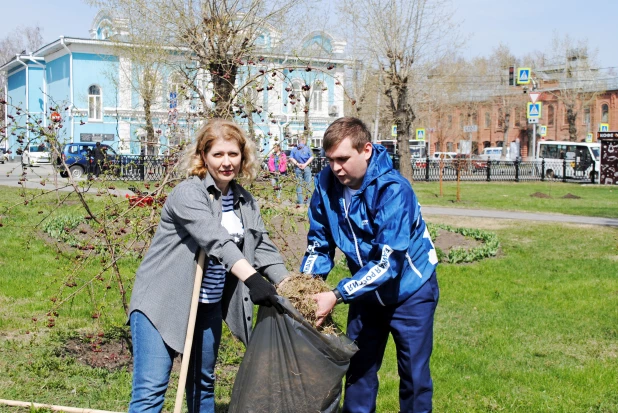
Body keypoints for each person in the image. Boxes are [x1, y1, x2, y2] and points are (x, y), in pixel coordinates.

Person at [128, 118, 288, 412]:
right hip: (162, 303)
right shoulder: (189, 194)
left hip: (207, 306)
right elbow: (217, 241)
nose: (226, 162)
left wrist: (289, 287)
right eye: (218, 154)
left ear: (243, 156)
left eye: (233, 154)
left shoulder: (244, 201)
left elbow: (263, 248)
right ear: (203, 156)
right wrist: (253, 280)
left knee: (202, 386)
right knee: (151, 392)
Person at [300, 117, 439, 413]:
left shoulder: (394, 190)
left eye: (342, 159)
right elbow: (319, 242)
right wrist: (305, 288)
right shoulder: (326, 185)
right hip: (366, 294)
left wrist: (336, 295)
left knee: (414, 377)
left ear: (366, 150)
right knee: (358, 371)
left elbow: (389, 262)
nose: (336, 168)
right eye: (330, 160)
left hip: (411, 293)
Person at [289, 136, 314, 205]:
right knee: (308, 184)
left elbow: (291, 158)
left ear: (298, 141)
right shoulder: (308, 148)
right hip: (306, 167)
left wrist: (297, 164)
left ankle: (300, 201)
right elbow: (312, 157)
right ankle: (308, 201)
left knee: (298, 184)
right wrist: (305, 164)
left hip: (298, 168)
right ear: (305, 141)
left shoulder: (294, 149)